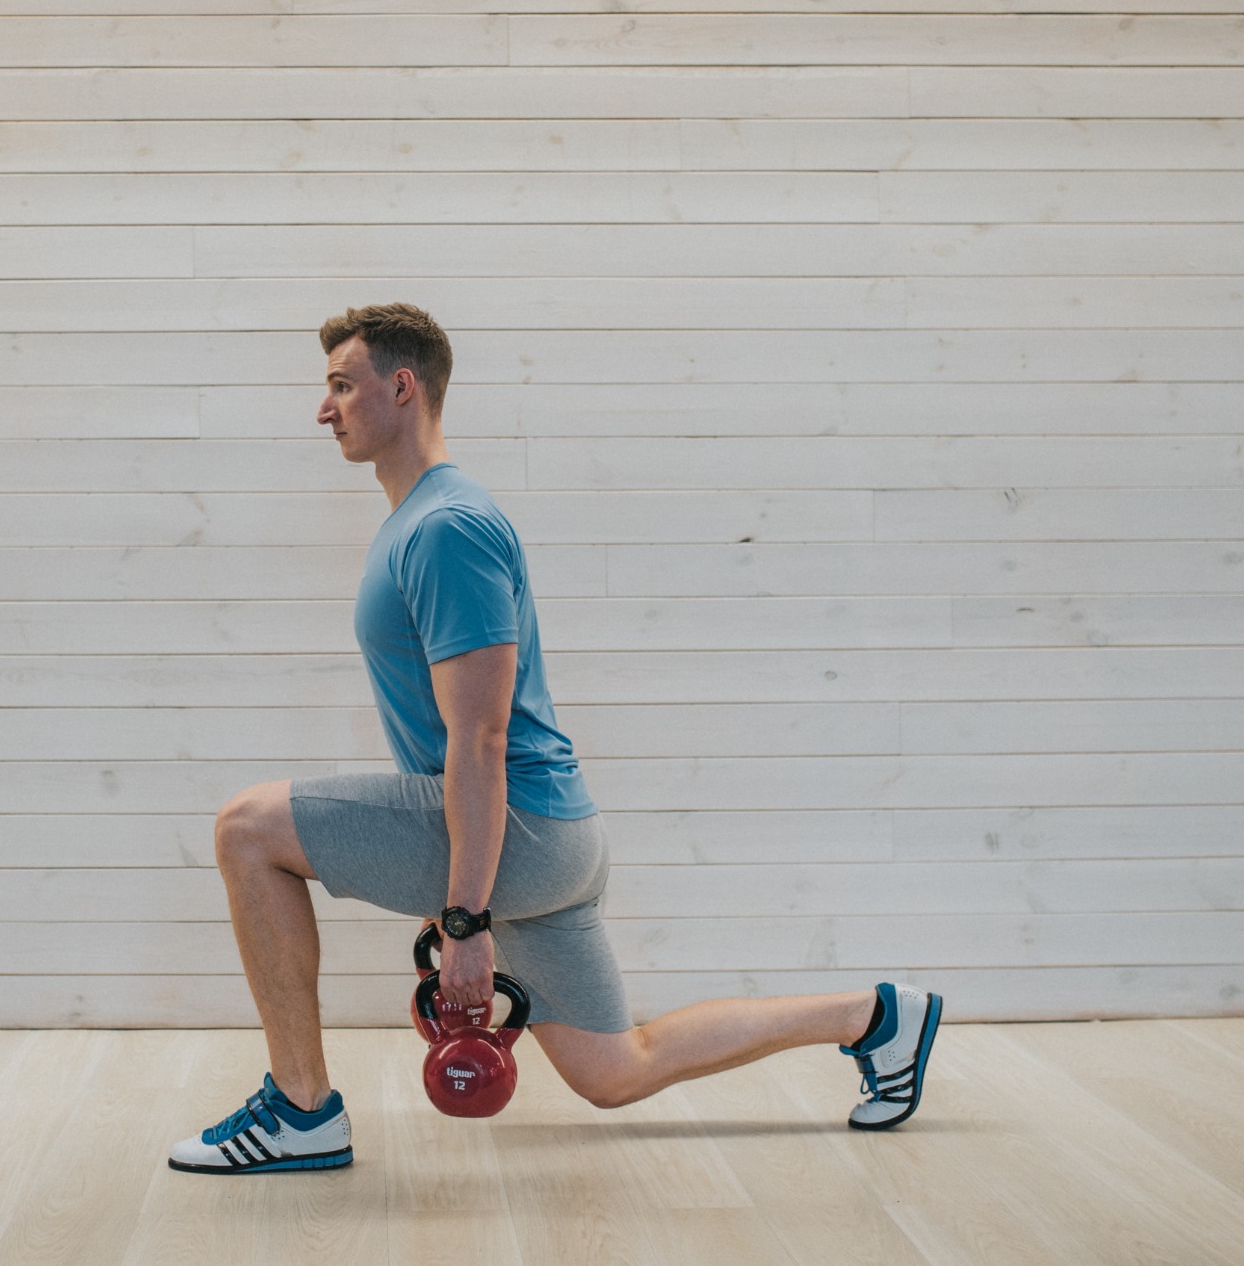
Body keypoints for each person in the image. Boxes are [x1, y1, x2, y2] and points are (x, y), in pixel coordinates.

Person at [166, 303, 942, 1175]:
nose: (326, 408)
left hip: (524, 828)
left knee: (246, 827)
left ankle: (302, 1110)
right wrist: (449, 884)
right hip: (549, 833)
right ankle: (877, 1017)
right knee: (617, 1070)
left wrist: (464, 911)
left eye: (342, 386)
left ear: (403, 386)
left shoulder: (445, 528)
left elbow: (483, 736)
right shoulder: (422, 519)